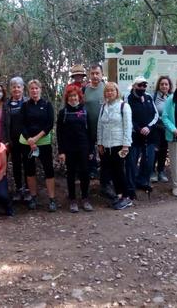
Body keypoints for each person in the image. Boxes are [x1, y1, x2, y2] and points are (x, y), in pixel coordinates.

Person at [20, 79, 58, 212]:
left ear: (40, 89)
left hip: (43, 142)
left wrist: (36, 138)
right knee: (30, 171)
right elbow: (22, 124)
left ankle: (52, 199)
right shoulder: (25, 106)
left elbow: (49, 124)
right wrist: (29, 139)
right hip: (27, 143)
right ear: (28, 90)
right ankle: (33, 197)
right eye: (32, 89)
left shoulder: (47, 105)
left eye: (36, 88)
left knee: (49, 170)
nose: (34, 91)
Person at [57, 85, 94, 212]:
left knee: (84, 173)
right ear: (67, 98)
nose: (73, 98)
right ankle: (72, 199)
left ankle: (85, 198)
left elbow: (89, 132)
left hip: (83, 147)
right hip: (69, 149)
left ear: (79, 97)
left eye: (75, 96)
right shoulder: (63, 113)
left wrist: (90, 150)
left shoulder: (84, 111)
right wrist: (61, 151)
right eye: (71, 96)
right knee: (71, 174)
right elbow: (59, 133)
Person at [97, 82, 134, 210]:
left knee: (119, 171)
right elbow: (99, 126)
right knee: (111, 172)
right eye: (107, 91)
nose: (110, 93)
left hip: (119, 144)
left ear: (117, 92)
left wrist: (126, 145)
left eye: (112, 90)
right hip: (107, 145)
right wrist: (100, 143)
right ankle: (118, 196)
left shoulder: (124, 106)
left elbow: (128, 127)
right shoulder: (103, 107)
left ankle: (126, 197)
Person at [83, 64, 115, 199]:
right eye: (92, 73)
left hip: (105, 130)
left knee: (106, 158)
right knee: (88, 157)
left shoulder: (107, 89)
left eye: (97, 73)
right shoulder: (84, 89)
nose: (95, 76)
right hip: (88, 130)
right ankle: (86, 188)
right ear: (89, 75)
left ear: (102, 74)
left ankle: (105, 185)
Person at [125, 76, 158, 194]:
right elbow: (128, 117)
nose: (142, 87)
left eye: (144, 85)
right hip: (134, 136)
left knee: (148, 161)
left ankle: (143, 182)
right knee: (132, 162)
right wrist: (138, 129)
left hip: (149, 135)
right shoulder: (128, 98)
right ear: (134, 86)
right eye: (140, 85)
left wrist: (149, 127)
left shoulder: (149, 97)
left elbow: (156, 114)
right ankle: (131, 186)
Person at [2, 77, 28, 201]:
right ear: (10, 89)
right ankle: (18, 189)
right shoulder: (6, 105)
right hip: (13, 140)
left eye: (18, 86)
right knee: (16, 164)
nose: (16, 89)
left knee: (28, 164)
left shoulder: (28, 102)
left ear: (23, 88)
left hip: (28, 140)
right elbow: (4, 124)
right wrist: (6, 140)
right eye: (13, 87)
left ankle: (29, 190)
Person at [152, 75, 172, 183]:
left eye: (166, 84)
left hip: (167, 128)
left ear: (169, 86)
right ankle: (152, 171)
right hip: (156, 128)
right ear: (159, 85)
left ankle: (161, 171)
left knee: (164, 150)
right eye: (162, 84)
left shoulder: (172, 97)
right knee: (155, 150)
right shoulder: (154, 96)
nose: (164, 86)